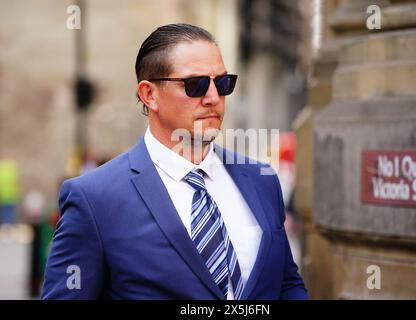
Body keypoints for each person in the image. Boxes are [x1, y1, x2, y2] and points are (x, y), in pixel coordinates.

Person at [42, 23, 308, 300]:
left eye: (223, 82)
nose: (214, 98)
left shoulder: (261, 179)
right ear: (149, 95)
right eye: (196, 85)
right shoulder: (94, 198)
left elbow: (286, 283)